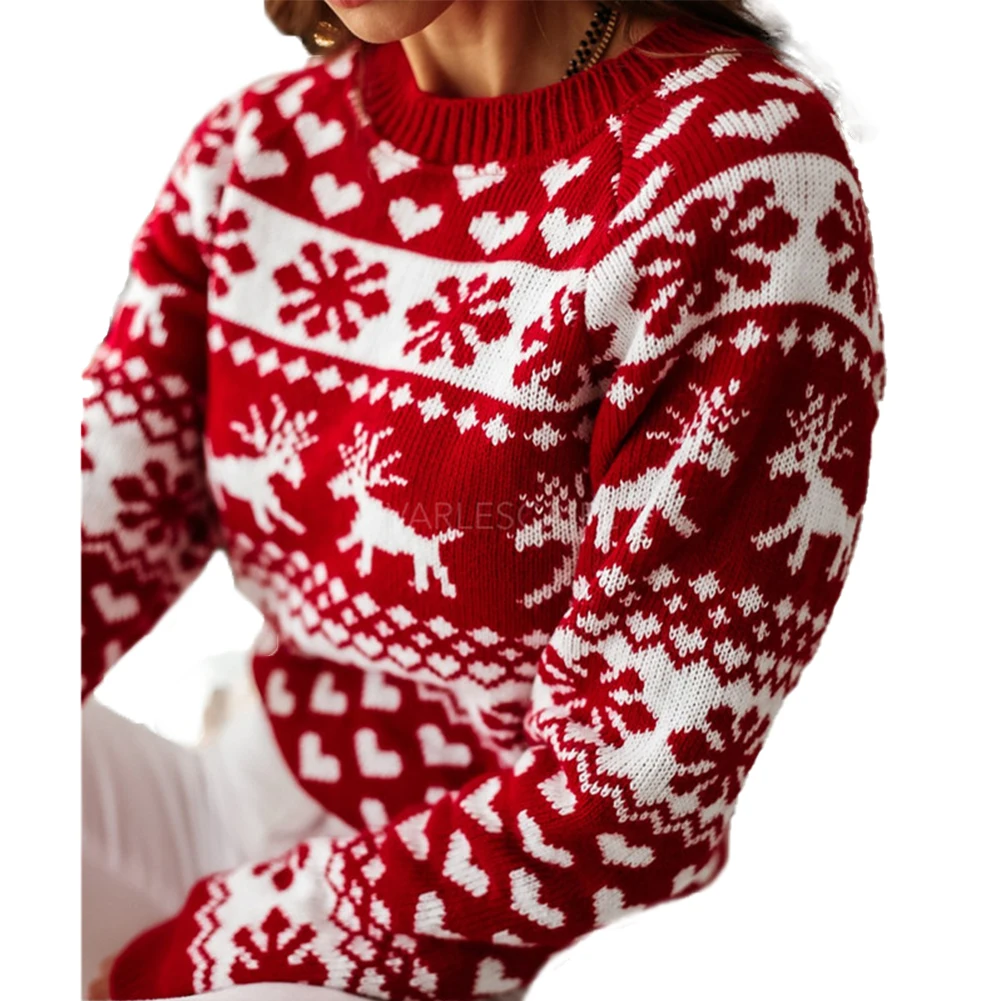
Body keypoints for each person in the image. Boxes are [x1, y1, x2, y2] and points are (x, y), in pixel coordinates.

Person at [81, 1, 887, 998]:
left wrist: (195, 956)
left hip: (466, 929)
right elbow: (91, 530)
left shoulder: (735, 173)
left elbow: (639, 781)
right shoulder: (260, 149)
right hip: (228, 793)